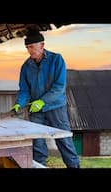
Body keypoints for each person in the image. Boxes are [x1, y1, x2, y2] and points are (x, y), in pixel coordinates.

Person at [11, 30, 80, 168]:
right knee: (37, 143)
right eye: (27, 47)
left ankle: (73, 166)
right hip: (36, 110)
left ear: (42, 45)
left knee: (64, 140)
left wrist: (43, 101)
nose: (30, 51)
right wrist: (19, 103)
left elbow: (59, 87)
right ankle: (39, 166)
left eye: (32, 47)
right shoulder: (26, 67)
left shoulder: (57, 60)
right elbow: (24, 90)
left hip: (56, 108)